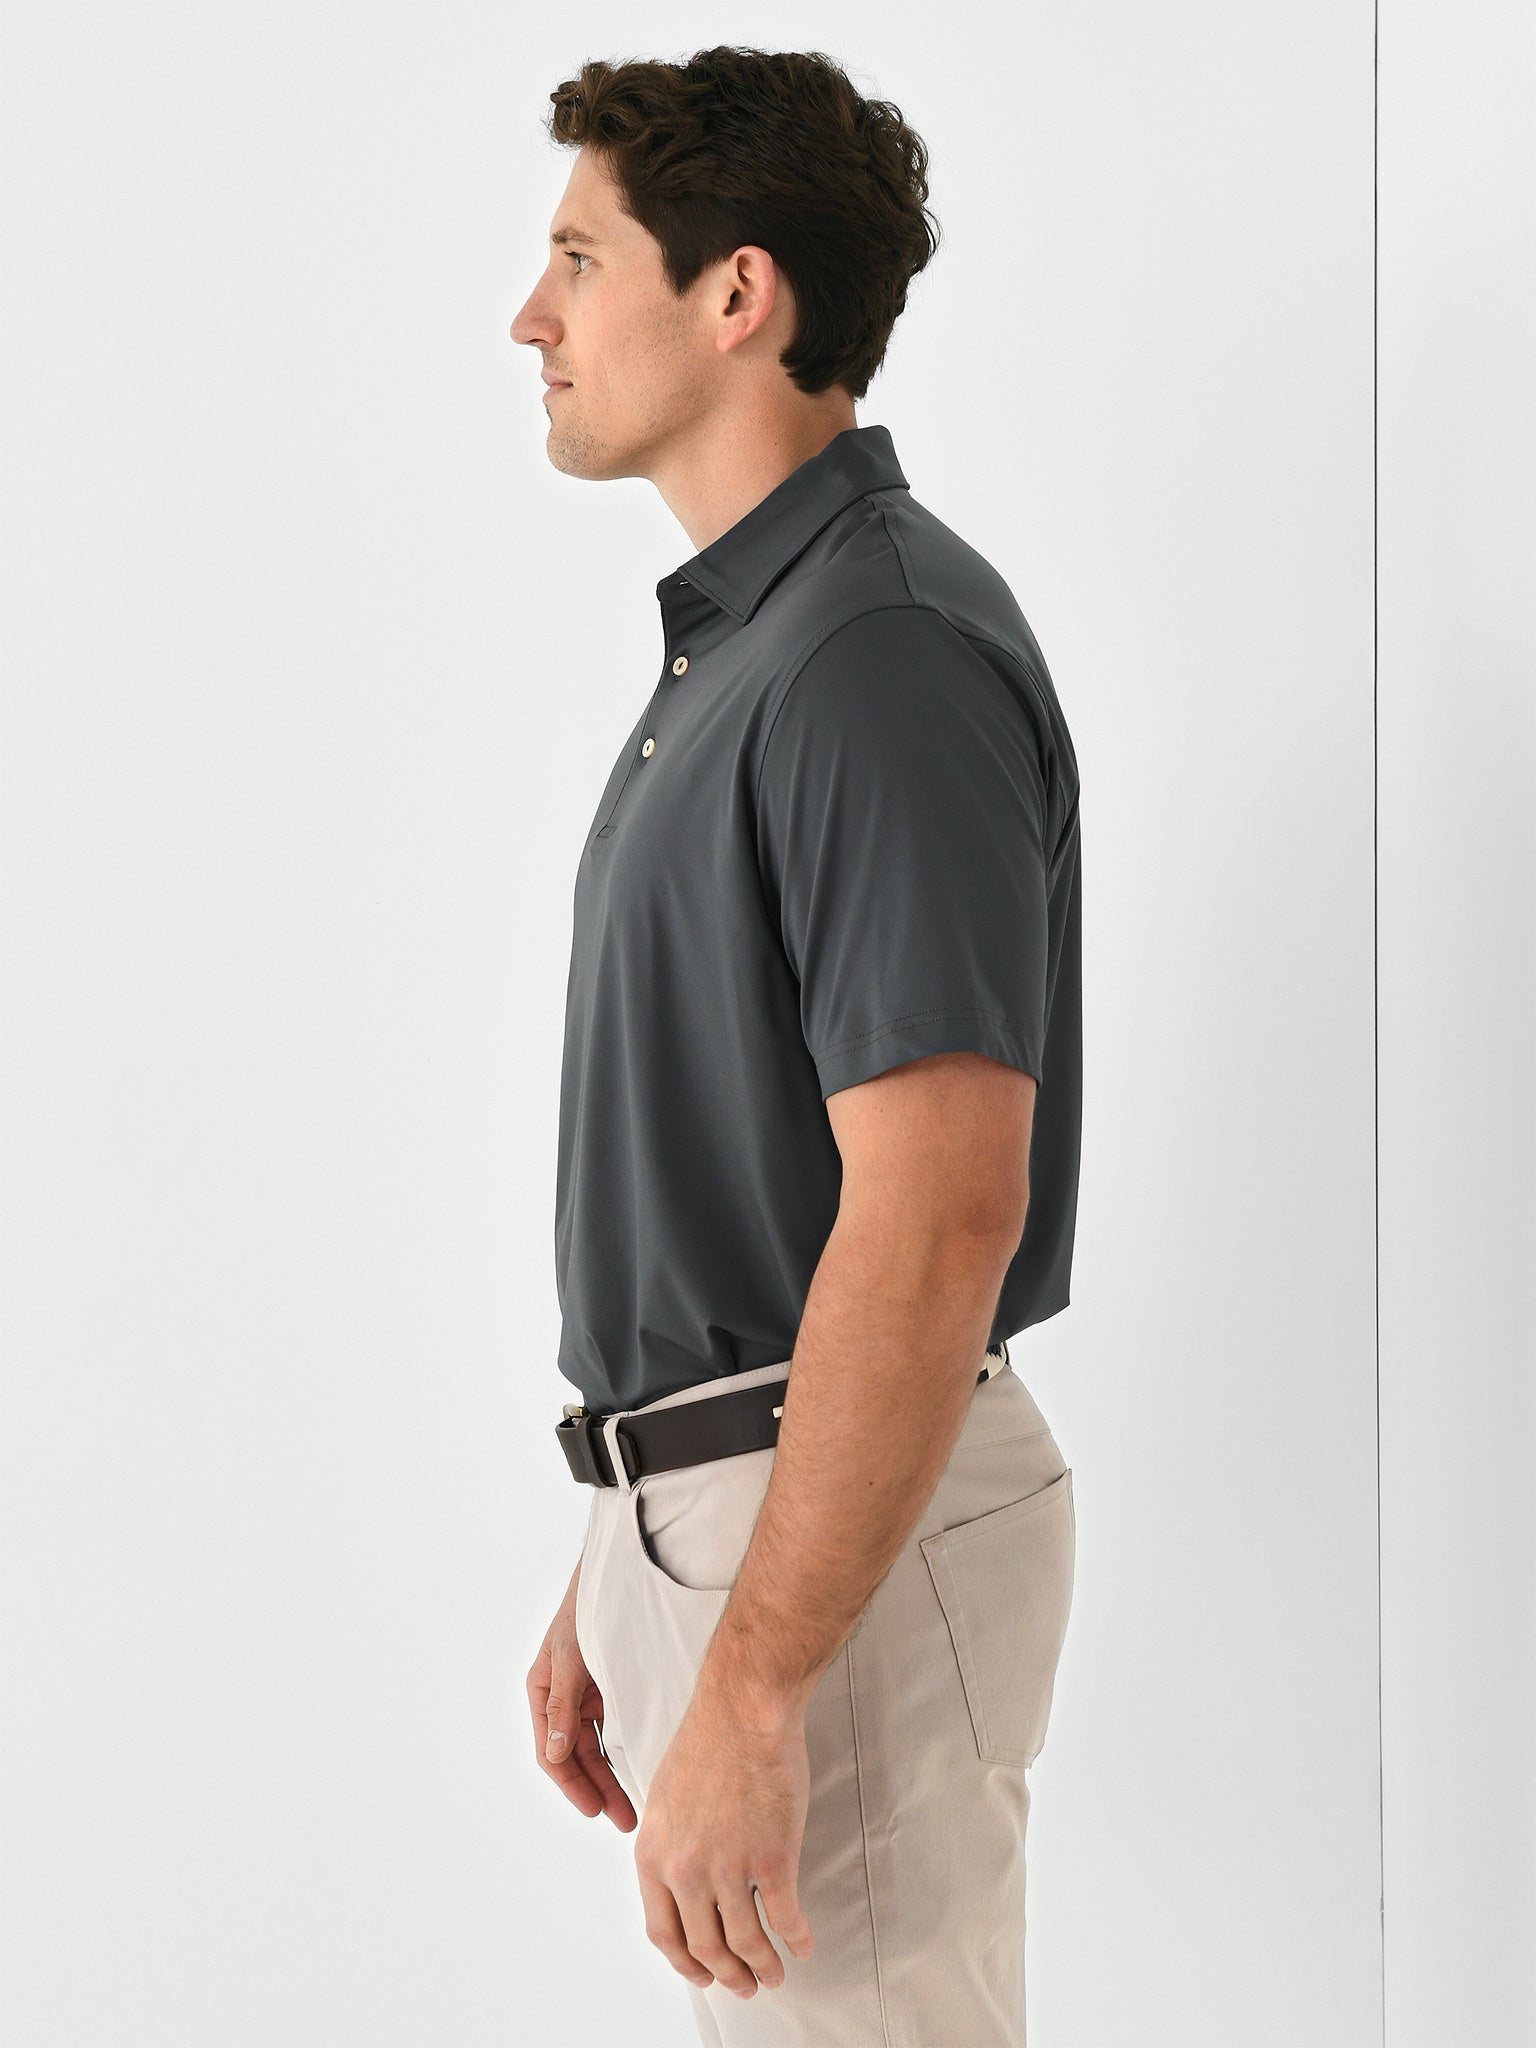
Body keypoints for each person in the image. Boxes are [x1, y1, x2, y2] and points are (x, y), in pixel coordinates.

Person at [514, 46, 1082, 2047]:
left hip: (826, 1531)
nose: (532, 316)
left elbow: (939, 1215)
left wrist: (754, 1676)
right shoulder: (765, 646)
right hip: (743, 1511)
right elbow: (742, 1166)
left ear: (735, 294)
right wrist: (623, 1541)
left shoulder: (872, 653)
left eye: (582, 257)